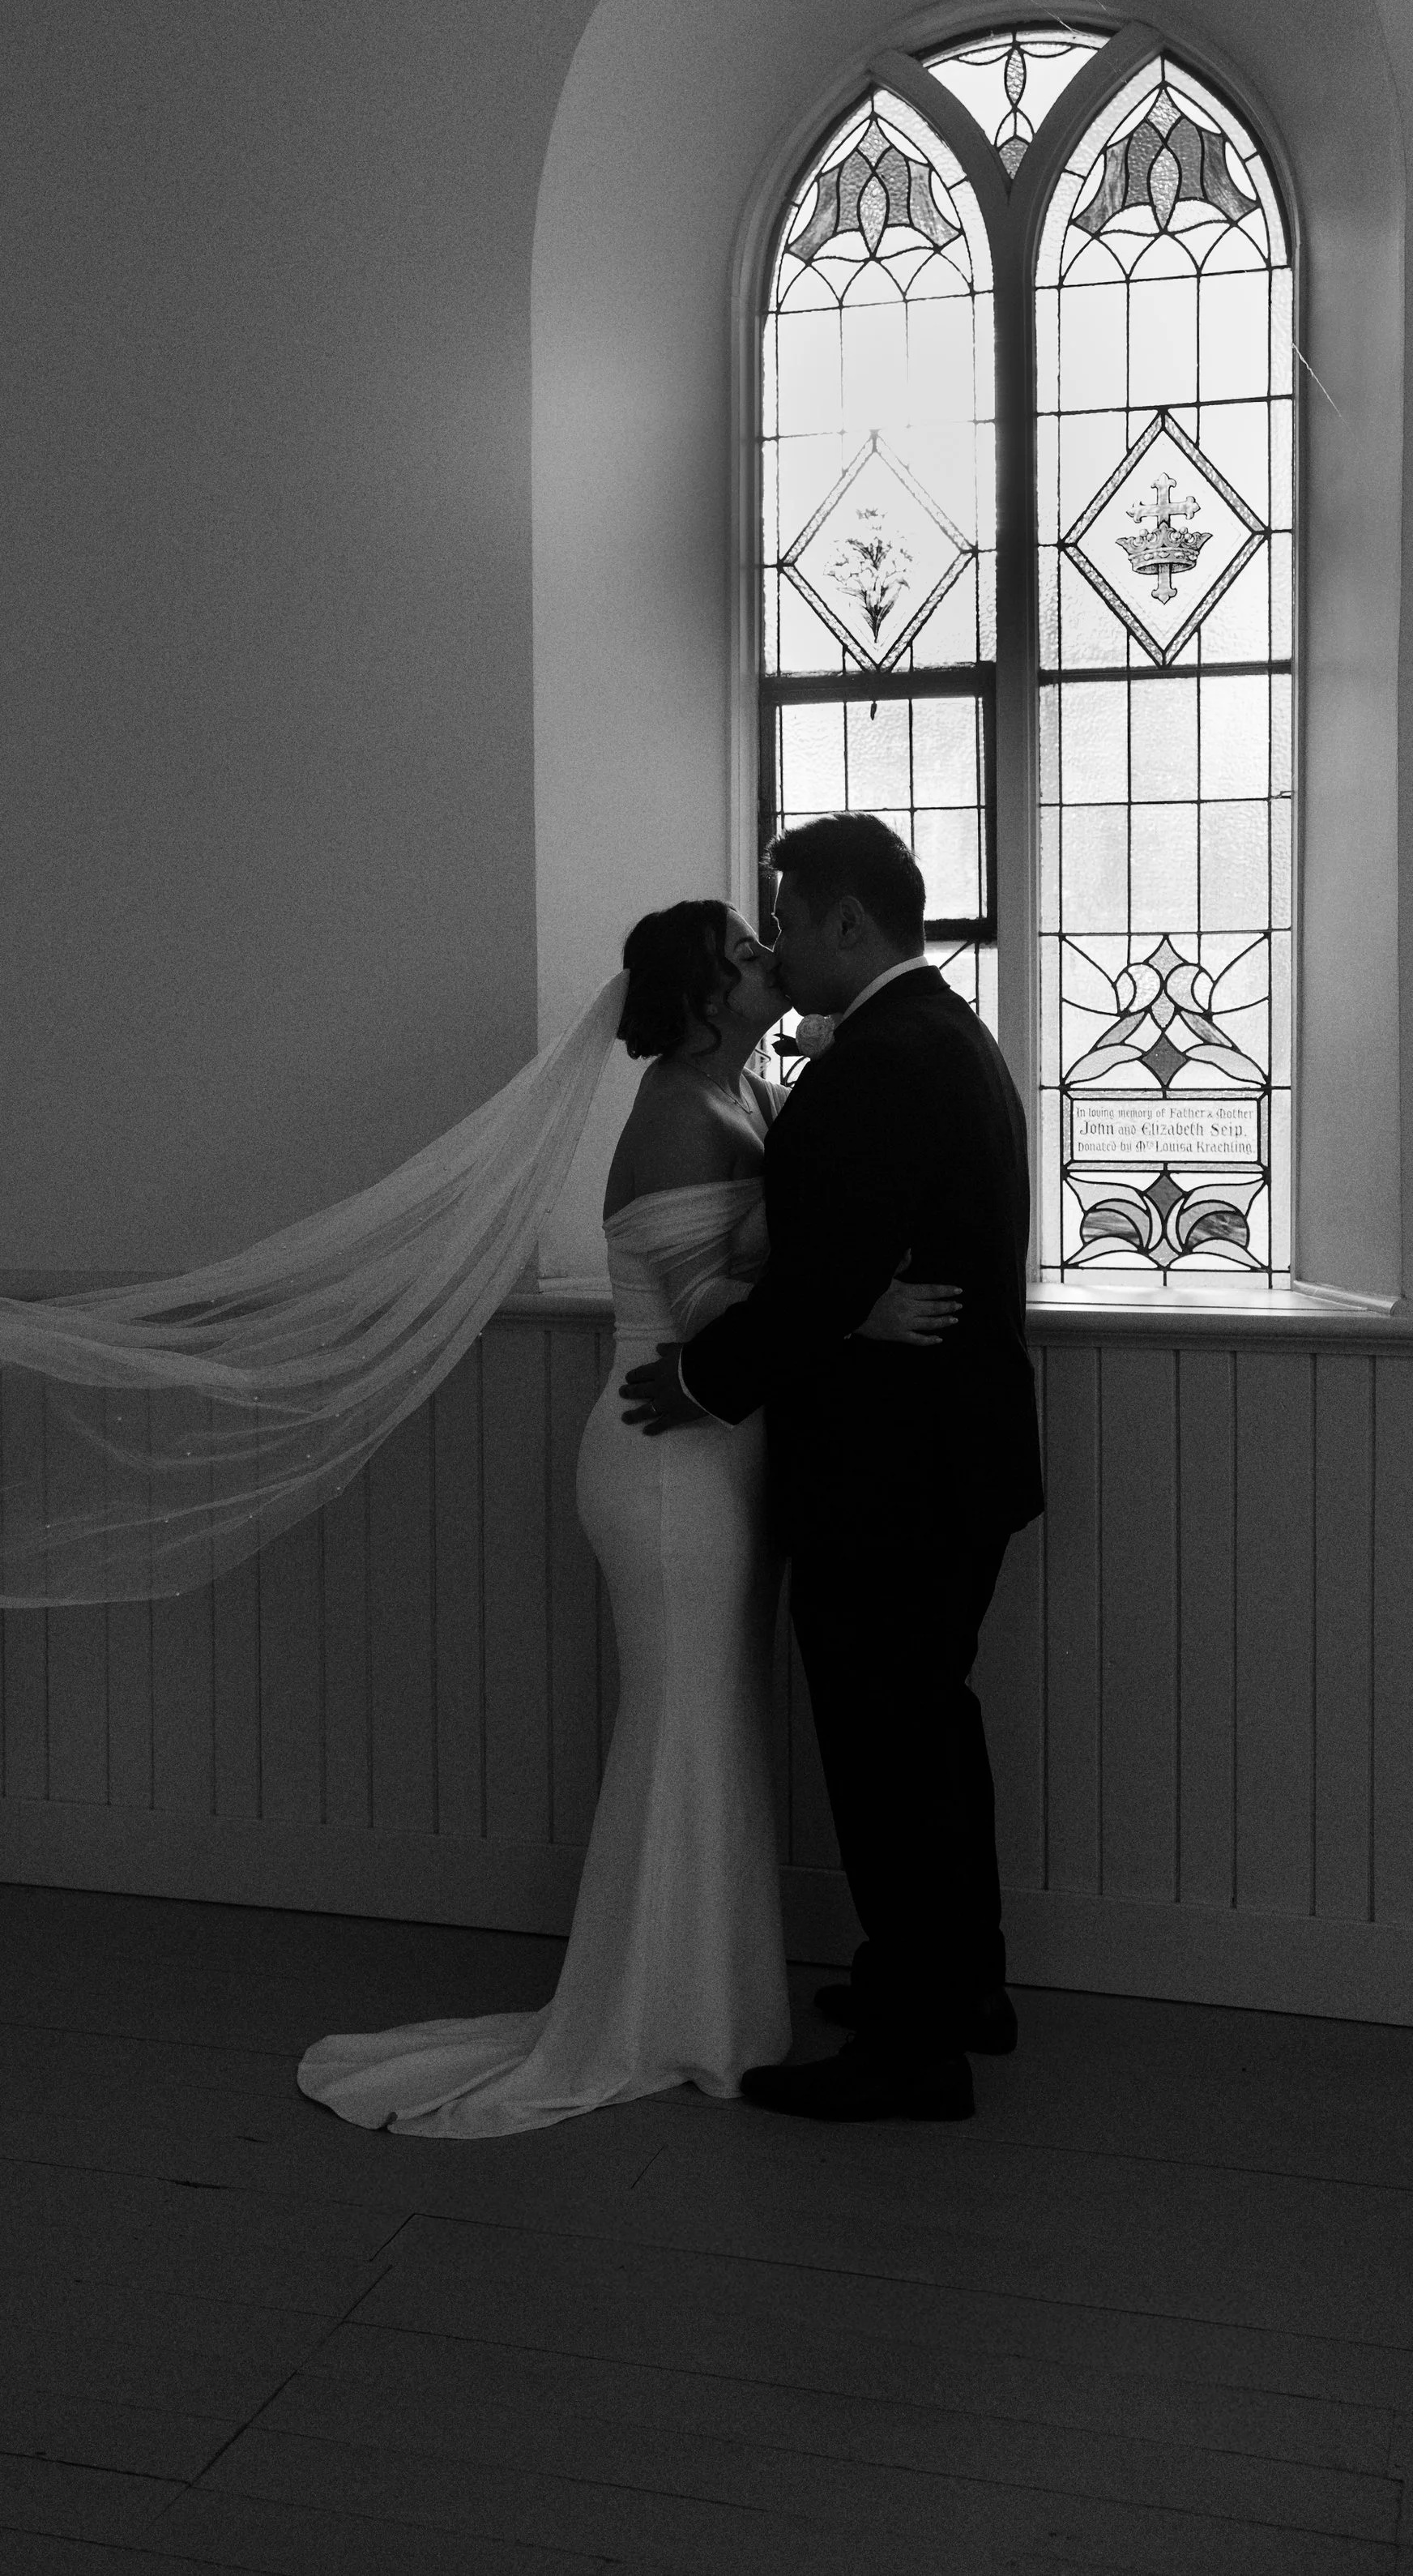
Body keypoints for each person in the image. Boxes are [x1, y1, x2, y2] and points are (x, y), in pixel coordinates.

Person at [297, 897, 955, 2136]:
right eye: (748, 956)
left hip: (722, 1447)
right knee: (684, 1718)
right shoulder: (671, 1116)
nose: (770, 961)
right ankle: (660, 2012)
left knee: (718, 1715)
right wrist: (858, 1312)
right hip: (664, 1459)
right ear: (708, 998)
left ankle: (708, 1996)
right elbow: (706, 1304)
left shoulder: (748, 1097)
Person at [622, 814, 1044, 2124]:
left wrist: (698, 1381)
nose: (783, 946)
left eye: (791, 920)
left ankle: (915, 2050)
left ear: (847, 923)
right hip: (945, 1463)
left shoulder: (879, 1063)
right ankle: (955, 1980)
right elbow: (838, 1269)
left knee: (886, 1751)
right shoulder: (939, 1036)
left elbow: (816, 1281)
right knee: (928, 1730)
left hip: (895, 1477)